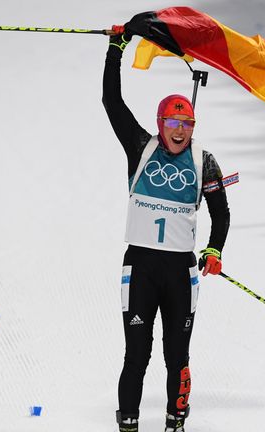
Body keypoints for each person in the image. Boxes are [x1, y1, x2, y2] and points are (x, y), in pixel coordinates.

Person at [102, 27, 231, 432]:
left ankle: (176, 421)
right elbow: (112, 102)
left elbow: (221, 212)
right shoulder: (140, 147)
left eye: (187, 123)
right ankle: (129, 423)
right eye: (173, 122)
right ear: (160, 123)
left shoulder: (204, 161)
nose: (180, 130)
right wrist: (115, 48)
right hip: (140, 267)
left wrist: (214, 250)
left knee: (177, 355)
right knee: (136, 354)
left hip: (180, 273)